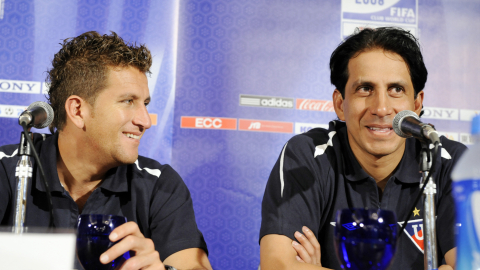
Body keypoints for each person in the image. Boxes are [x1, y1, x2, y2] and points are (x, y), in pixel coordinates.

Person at [0, 31, 212, 270]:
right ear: (78, 111)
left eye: (146, 104)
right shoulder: (7, 170)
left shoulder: (159, 184)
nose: (145, 120)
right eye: (128, 101)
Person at [259, 27, 466, 270]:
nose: (381, 108)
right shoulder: (308, 155)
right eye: (365, 88)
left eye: (396, 90)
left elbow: (469, 264)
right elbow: (277, 264)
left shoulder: (450, 162)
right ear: (339, 104)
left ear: (417, 104)